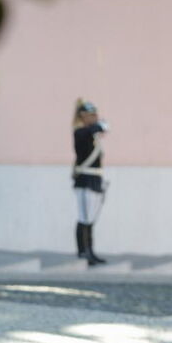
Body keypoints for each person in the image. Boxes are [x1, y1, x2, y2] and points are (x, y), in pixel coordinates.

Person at [72, 98, 108, 265]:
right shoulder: (80, 132)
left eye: (95, 115)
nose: (94, 118)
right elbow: (92, 130)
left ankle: (90, 251)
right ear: (83, 116)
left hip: (94, 179)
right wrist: (100, 126)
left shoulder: (92, 135)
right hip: (85, 180)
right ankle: (83, 251)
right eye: (90, 115)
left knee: (91, 218)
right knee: (84, 217)